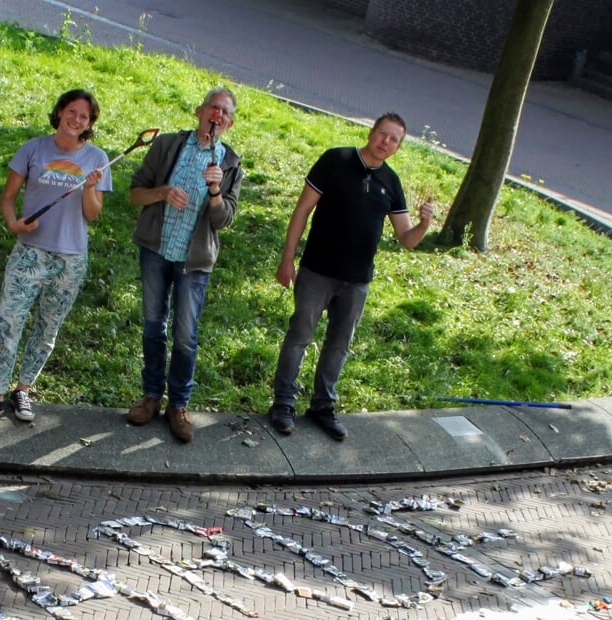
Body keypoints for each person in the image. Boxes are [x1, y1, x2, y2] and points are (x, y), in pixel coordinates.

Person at [270, 113, 434, 442]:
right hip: (317, 270)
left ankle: (322, 407)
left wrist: (424, 224)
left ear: (398, 147)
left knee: (339, 346)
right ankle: (282, 403)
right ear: (371, 133)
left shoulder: (391, 182)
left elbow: (407, 239)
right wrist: (288, 258)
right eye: (382, 135)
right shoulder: (336, 160)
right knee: (299, 336)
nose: (385, 143)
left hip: (357, 280)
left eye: (393, 140)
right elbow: (302, 211)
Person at [0, 89, 108, 424]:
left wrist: (89, 188)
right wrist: (13, 223)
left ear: (89, 123)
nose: (76, 120)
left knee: (47, 327)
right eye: (71, 112)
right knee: (9, 319)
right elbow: (8, 197)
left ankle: (22, 390)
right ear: (60, 112)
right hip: (30, 252)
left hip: (70, 258)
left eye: (84, 117)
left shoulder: (97, 160)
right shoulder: (33, 149)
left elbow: (93, 215)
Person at [125, 88, 243, 445]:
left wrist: (215, 192)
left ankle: (178, 406)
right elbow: (135, 194)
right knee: (152, 326)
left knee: (185, 337)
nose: (217, 115)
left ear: (230, 122)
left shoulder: (230, 163)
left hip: (194, 263)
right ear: (199, 110)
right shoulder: (168, 146)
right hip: (157, 249)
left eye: (224, 112)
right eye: (213, 108)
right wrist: (162, 192)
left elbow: (224, 220)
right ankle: (150, 397)